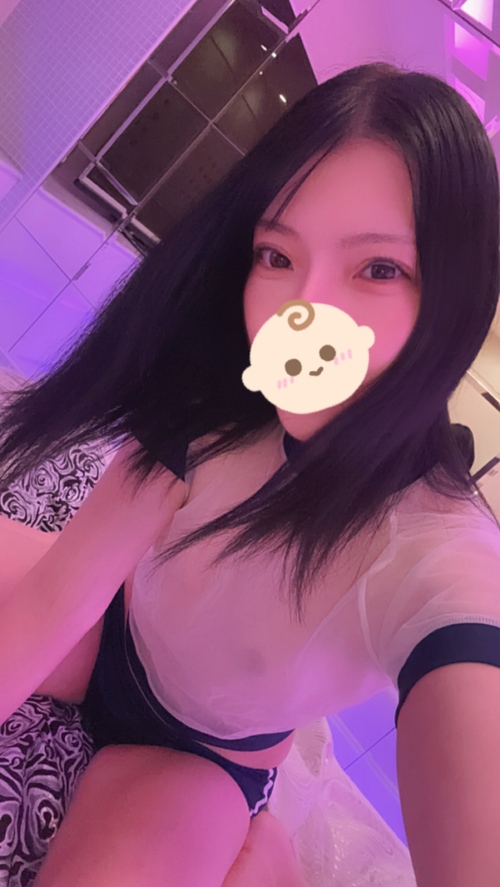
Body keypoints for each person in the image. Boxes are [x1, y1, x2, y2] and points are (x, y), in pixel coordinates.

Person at [0, 59, 500, 887]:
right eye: (277, 254)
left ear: (454, 293)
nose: (306, 312)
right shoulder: (220, 391)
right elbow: (61, 595)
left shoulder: (436, 551)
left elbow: (468, 675)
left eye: (378, 269)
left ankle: (264, 853)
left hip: (201, 755)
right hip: (111, 631)